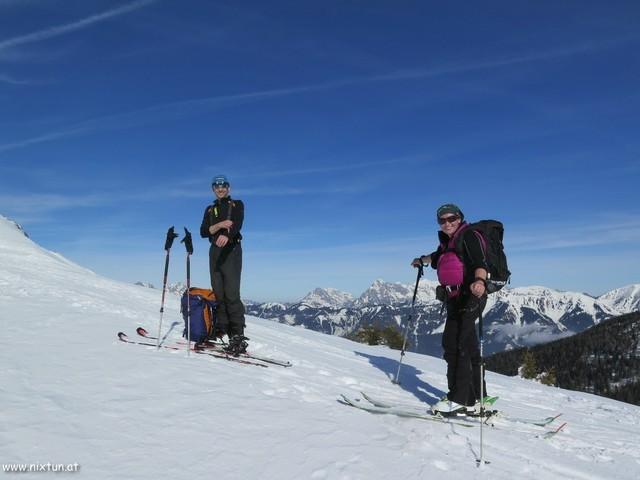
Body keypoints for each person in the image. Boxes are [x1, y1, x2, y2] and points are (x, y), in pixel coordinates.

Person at [411, 203, 489, 415]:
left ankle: (460, 399)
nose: (447, 223)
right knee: (469, 345)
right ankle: (480, 395)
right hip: (455, 299)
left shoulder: (469, 236)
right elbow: (436, 258)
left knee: (456, 345)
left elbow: (481, 262)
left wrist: (480, 281)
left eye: (451, 219)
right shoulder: (447, 243)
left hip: (470, 295)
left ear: (459, 218)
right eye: (442, 220)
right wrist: (421, 261)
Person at [200, 174, 247, 355]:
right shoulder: (210, 210)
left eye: (224, 186)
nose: (220, 189)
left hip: (231, 250)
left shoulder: (237, 204)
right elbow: (204, 231)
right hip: (215, 252)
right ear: (213, 189)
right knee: (218, 293)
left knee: (232, 294)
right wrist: (220, 225)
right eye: (217, 187)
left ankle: (237, 335)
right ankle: (221, 329)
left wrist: (227, 234)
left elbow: (237, 224)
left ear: (228, 188)